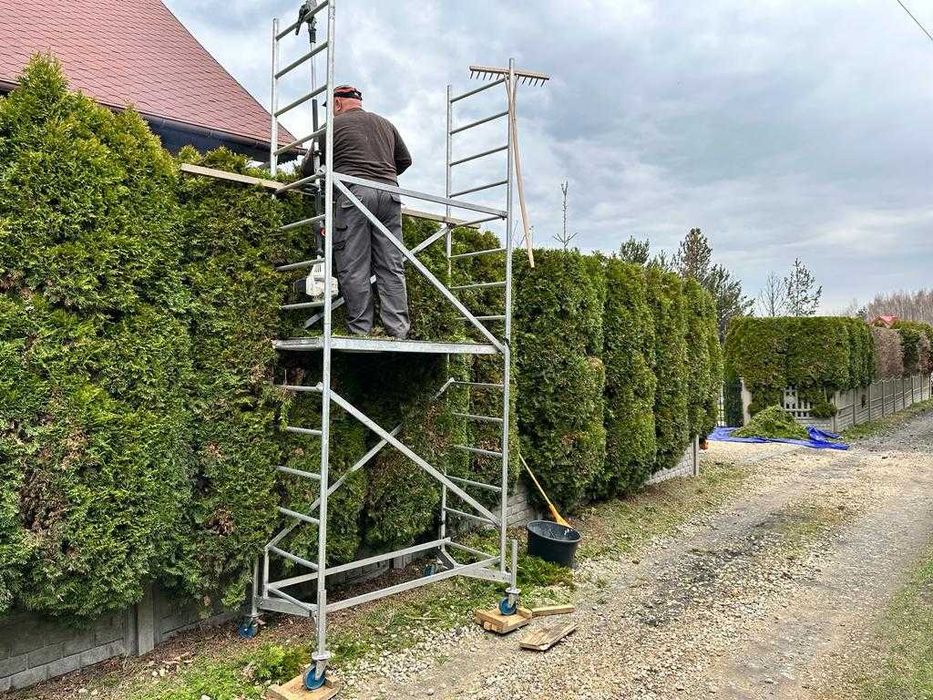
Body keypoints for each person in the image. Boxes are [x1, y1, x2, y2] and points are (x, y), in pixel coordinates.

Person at [302, 85, 412, 339]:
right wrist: (382, 175)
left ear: (338, 104)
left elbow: (308, 169)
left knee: (354, 264)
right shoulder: (386, 124)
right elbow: (404, 161)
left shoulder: (330, 128)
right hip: (390, 195)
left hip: (353, 195)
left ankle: (361, 331)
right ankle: (398, 332)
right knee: (391, 265)